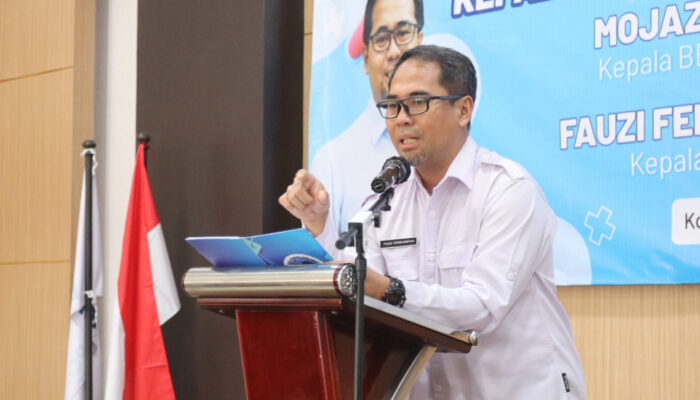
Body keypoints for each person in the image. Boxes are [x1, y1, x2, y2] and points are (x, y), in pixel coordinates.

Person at [280, 45, 585, 399]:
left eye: (418, 102)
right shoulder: (387, 200)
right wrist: (318, 223)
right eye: (392, 105)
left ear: (463, 109)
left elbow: (482, 308)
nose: (401, 118)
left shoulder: (508, 190)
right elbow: (362, 291)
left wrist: (391, 290)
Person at [309, 0, 424, 237]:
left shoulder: (448, 145)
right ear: (365, 58)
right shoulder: (332, 160)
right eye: (381, 39)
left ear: (421, 43)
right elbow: (324, 256)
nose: (394, 52)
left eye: (403, 33)